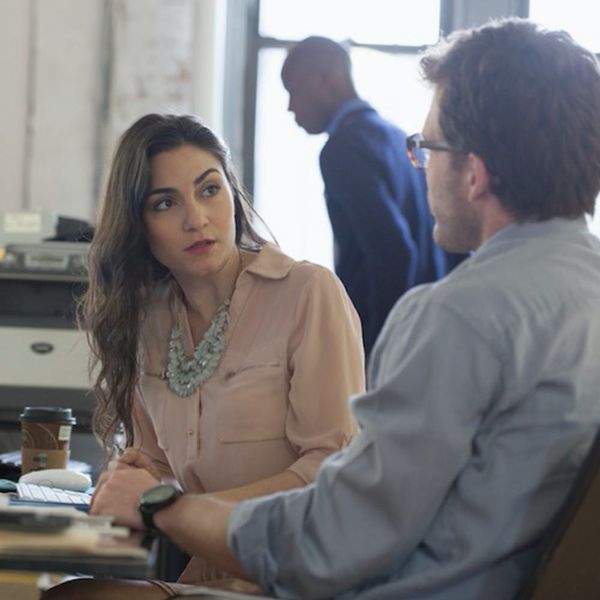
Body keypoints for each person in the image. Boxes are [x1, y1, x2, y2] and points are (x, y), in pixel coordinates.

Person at [46, 18, 600, 600]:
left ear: (475, 175)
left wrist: (167, 508)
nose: (419, 165)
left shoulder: (456, 317)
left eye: (427, 147)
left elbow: (335, 542)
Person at [46, 113, 364, 597]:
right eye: (165, 203)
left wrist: (168, 507)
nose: (195, 219)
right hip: (209, 576)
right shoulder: (148, 322)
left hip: (297, 572)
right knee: (62, 591)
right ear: (139, 225)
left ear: (232, 193)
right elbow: (157, 467)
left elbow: (332, 466)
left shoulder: (308, 292)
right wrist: (127, 487)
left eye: (209, 189)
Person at [281, 36, 463, 357]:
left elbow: (393, 252)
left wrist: (375, 351)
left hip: (389, 339)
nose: (291, 107)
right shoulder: (394, 137)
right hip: (429, 328)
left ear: (325, 80)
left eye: (294, 91)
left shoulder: (342, 149)